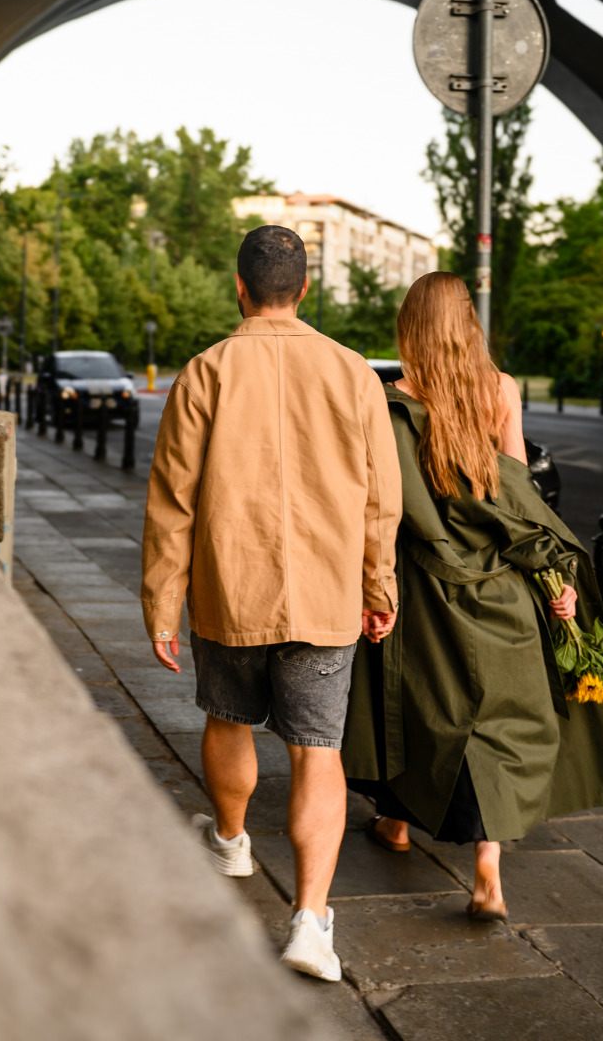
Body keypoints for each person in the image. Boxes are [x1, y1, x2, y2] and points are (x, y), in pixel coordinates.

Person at [341, 271, 603, 921]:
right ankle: (487, 869)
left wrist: (372, 585)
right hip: (501, 580)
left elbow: (380, 506)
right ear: (467, 325)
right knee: (498, 721)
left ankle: (395, 823)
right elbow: (520, 501)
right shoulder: (499, 390)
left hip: (420, 585)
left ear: (410, 329)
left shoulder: (388, 401)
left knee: (414, 709)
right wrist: (553, 579)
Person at [141, 225, 402, 981]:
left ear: (239, 286)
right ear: (305, 290)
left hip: (231, 583)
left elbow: (172, 500)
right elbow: (381, 498)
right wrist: (377, 586)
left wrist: (162, 601)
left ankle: (228, 840)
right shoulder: (352, 372)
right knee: (317, 746)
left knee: (228, 717)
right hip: (325, 592)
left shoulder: (205, 371)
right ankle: (310, 923)